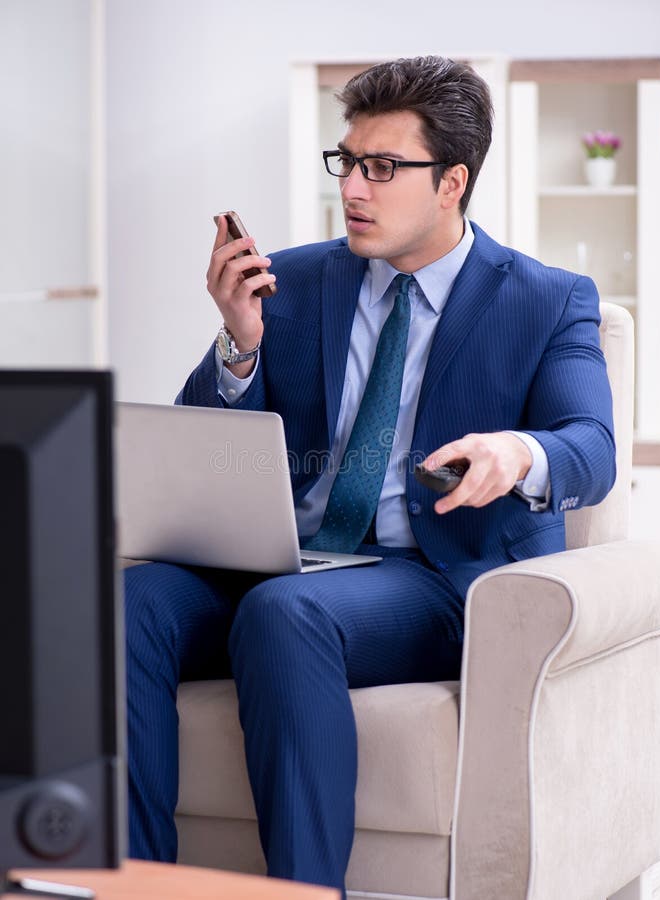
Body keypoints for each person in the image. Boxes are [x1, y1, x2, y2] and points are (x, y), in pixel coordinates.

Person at [124, 55, 616, 895]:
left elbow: (592, 446)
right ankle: (134, 882)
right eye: (347, 162)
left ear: (452, 181)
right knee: (128, 601)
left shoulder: (545, 299)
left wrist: (518, 453)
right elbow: (202, 446)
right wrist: (240, 344)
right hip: (287, 558)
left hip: (428, 575)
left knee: (285, 613)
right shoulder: (292, 280)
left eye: (382, 167)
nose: (353, 188)